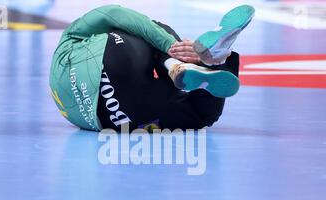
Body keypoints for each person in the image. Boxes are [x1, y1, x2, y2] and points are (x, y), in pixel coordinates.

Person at [49, 4, 255, 132]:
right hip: (113, 56)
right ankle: (201, 61)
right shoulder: (69, 36)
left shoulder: (69, 45)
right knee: (150, 29)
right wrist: (169, 45)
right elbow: (113, 14)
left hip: (115, 117)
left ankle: (185, 66)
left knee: (199, 115)